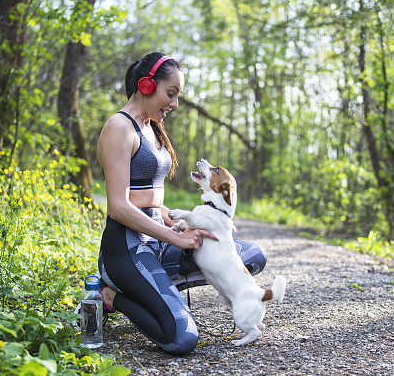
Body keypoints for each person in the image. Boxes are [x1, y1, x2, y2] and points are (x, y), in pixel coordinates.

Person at [96, 51, 267, 355]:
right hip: (126, 249)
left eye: (178, 96)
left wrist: (174, 222)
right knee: (182, 339)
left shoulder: (151, 127)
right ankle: (111, 296)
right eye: (170, 93)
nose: (175, 104)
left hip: (158, 241)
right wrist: (176, 238)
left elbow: (149, 198)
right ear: (146, 85)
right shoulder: (119, 128)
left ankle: (157, 288)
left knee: (253, 256)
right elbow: (119, 207)